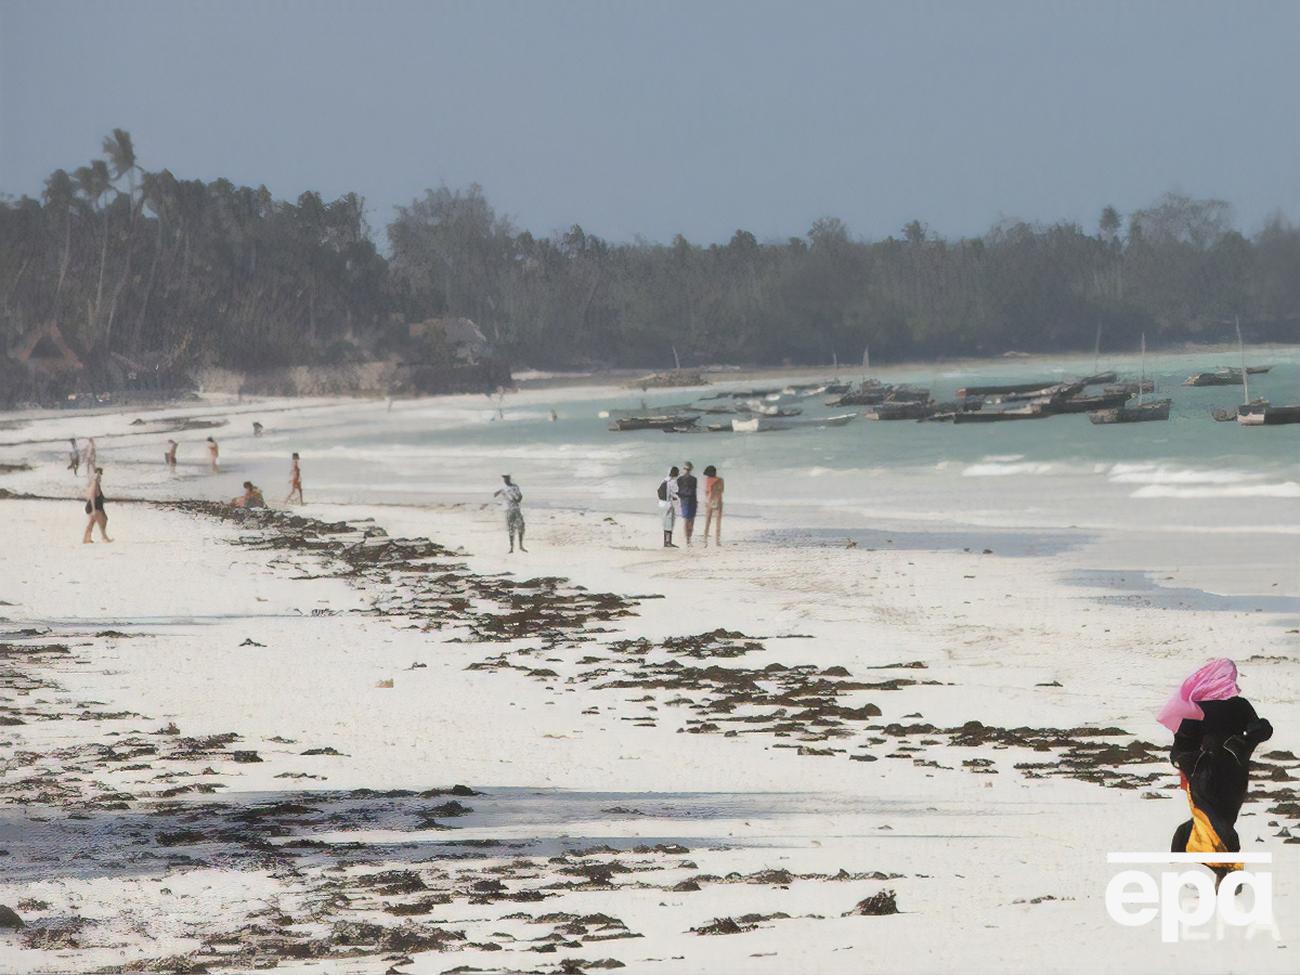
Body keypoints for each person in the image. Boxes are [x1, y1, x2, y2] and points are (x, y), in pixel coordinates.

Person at [1159, 658, 1273, 886]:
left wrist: (1183, 761)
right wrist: (1245, 741)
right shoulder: (1241, 705)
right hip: (1234, 773)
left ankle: (1222, 868)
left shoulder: (1197, 707)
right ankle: (1226, 872)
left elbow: (1183, 743)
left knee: (1210, 819)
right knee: (1222, 821)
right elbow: (1261, 729)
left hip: (1206, 772)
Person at [493, 474, 526, 552]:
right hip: (508, 509)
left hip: (516, 509)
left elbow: (520, 496)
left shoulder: (515, 486)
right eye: (504, 478)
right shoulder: (503, 488)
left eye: (507, 478)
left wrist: (517, 498)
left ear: (509, 478)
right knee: (511, 528)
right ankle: (511, 548)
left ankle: (521, 546)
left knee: (521, 527)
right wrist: (501, 493)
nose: (505, 480)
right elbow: (495, 494)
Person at [82, 467, 111, 543]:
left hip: (95, 506)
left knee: (92, 522)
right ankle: (104, 537)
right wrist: (94, 509)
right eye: (98, 476)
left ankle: (86, 538)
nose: (100, 477)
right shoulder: (94, 484)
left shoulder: (96, 484)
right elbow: (91, 496)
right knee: (102, 520)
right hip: (94, 507)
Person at [676, 461, 699, 546]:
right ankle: (687, 539)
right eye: (686, 469)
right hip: (685, 500)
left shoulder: (694, 479)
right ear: (683, 469)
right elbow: (678, 490)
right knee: (686, 520)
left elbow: (694, 491)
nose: (687, 470)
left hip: (692, 500)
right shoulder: (680, 479)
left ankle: (689, 538)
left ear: (691, 469)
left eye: (688, 469)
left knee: (691, 520)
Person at [702, 464, 724, 546]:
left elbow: (707, 492)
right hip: (718, 501)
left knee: (708, 521)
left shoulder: (708, 480)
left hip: (710, 501)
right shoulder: (720, 480)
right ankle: (717, 541)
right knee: (718, 522)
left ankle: (705, 539)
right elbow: (721, 490)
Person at [658, 466, 679, 548]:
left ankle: (665, 542)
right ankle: (668, 542)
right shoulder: (673, 481)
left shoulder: (665, 479)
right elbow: (675, 492)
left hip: (661, 503)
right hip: (668, 504)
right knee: (670, 523)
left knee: (665, 523)